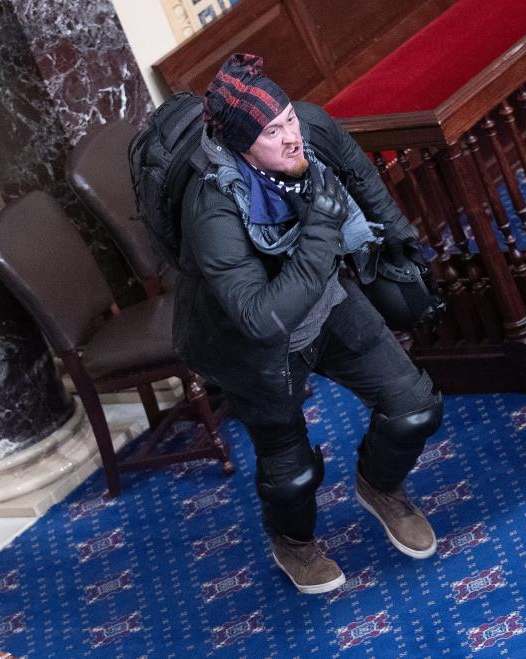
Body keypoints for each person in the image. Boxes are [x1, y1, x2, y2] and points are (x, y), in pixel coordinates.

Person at [172, 53, 444, 594]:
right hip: (250, 346)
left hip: (324, 302)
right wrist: (322, 224)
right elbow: (261, 317)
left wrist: (398, 236)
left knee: (416, 408)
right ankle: (293, 544)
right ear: (243, 146)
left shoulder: (306, 130)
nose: (293, 136)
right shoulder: (213, 209)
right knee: (291, 473)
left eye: (291, 118)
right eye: (274, 132)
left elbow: (358, 171)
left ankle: (380, 486)